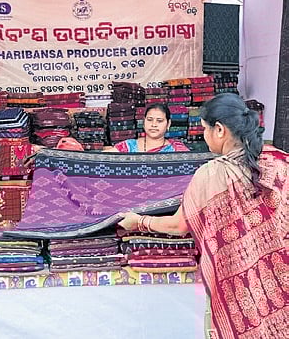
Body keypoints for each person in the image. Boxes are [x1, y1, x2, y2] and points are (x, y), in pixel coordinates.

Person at [117, 93, 288, 339]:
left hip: (241, 284)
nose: (203, 136)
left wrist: (139, 221)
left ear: (219, 130)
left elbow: (179, 225)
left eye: (205, 129)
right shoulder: (277, 160)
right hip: (282, 276)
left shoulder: (211, 174)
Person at [105, 103, 189, 152]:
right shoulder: (129, 146)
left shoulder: (176, 149)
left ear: (168, 124)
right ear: (144, 122)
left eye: (159, 121)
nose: (154, 124)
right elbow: (101, 158)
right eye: (149, 120)